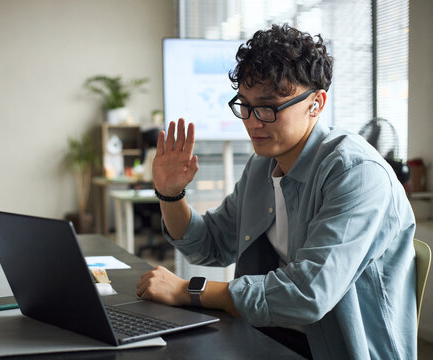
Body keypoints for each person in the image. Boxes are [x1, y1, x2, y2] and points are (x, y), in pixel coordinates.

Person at [135, 24, 416, 359]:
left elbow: (306, 294)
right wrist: (170, 195)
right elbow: (211, 245)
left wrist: (189, 290)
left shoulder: (356, 174)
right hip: (265, 335)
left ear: (316, 103)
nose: (253, 122)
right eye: (245, 105)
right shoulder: (261, 166)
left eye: (268, 107)